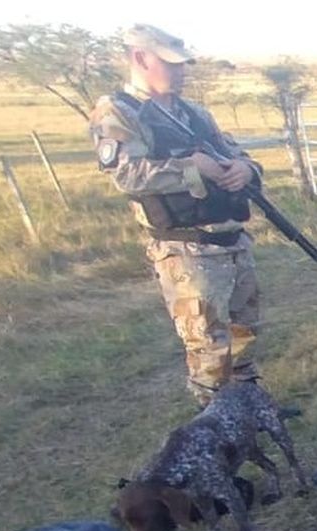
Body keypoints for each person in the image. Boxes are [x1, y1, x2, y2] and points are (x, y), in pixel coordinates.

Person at [89, 25, 263, 405]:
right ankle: (216, 429)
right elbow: (126, 174)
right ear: (140, 58)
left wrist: (246, 170)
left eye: (183, 64)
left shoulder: (194, 113)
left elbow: (236, 153)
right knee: (209, 348)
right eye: (171, 64)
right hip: (188, 249)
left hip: (232, 240)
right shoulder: (119, 111)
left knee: (244, 334)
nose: (182, 72)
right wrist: (191, 167)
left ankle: (251, 413)